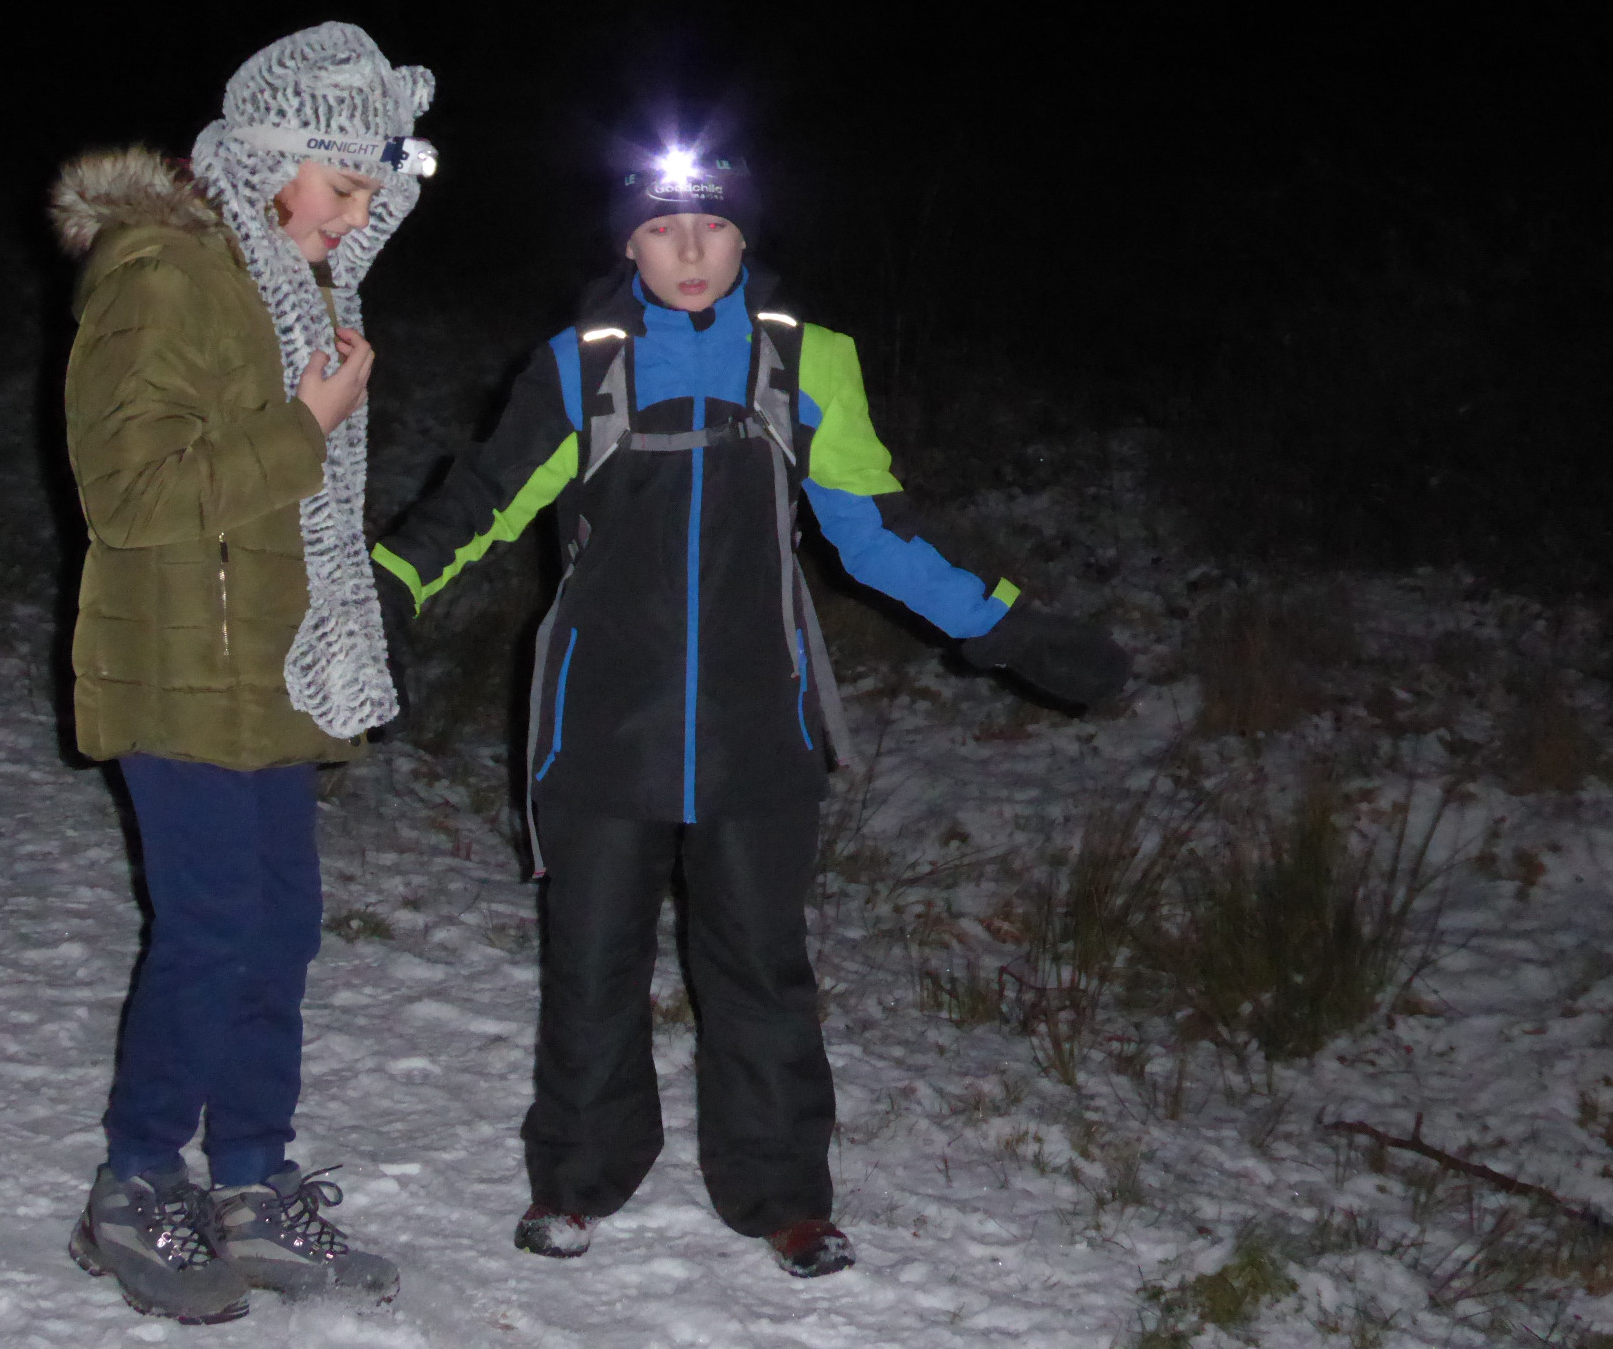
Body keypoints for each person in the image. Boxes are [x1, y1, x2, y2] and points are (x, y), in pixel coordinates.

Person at [370, 147, 1130, 1278]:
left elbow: (873, 534)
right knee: (591, 965)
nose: (689, 250)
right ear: (625, 242)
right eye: (661, 227)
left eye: (713, 226)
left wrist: (1008, 626)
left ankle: (784, 1198)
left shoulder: (806, 359)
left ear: (745, 238)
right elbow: (483, 501)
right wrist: (387, 588)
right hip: (600, 722)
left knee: (762, 969)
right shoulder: (580, 365)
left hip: (757, 722)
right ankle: (576, 1180)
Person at [48, 22, 434, 1324]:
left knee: (278, 930)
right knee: (212, 929)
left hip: (271, 667)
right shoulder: (161, 274)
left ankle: (253, 1184)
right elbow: (130, 495)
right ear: (272, 156)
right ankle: (135, 1180)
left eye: (374, 195)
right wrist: (304, 428)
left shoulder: (291, 278)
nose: (355, 218)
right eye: (343, 186)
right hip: (177, 666)